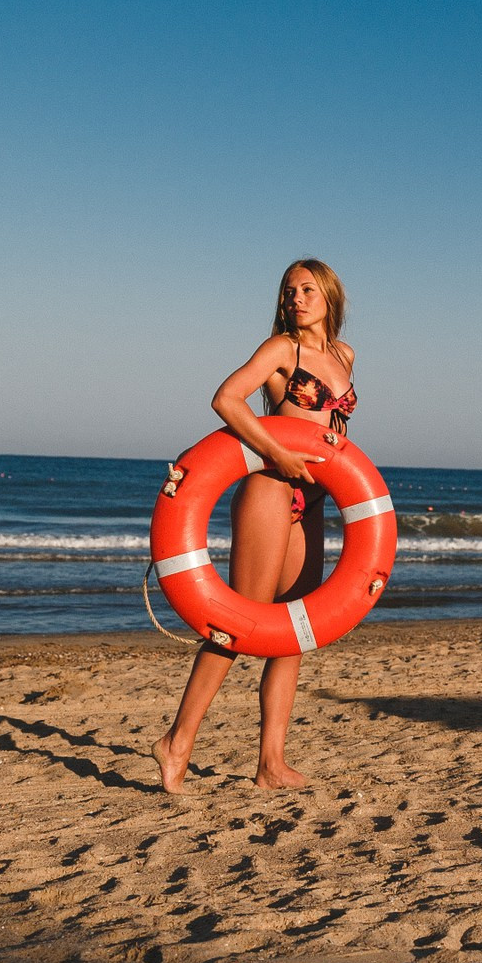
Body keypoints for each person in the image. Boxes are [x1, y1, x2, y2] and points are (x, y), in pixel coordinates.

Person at [154, 259, 358, 792]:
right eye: (290, 290)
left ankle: (271, 764)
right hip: (270, 489)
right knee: (239, 625)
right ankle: (176, 742)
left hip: (311, 502)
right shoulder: (280, 351)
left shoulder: (344, 356)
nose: (297, 298)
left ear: (330, 295)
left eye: (308, 289)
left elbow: (332, 438)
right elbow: (226, 399)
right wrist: (275, 451)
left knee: (291, 633)